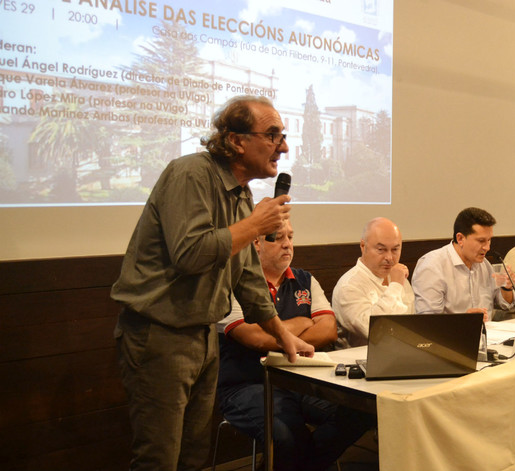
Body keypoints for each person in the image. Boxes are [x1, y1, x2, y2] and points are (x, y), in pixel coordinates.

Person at [110, 95, 314, 471]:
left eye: (282, 136)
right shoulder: (191, 174)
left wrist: (282, 335)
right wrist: (254, 224)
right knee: (159, 459)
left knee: (193, 457)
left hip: (204, 336)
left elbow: (248, 277)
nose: (283, 147)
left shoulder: (241, 193)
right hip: (160, 336)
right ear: (236, 140)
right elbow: (190, 254)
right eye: (272, 135)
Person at [217, 220, 373, 471]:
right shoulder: (233, 281)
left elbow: (328, 330)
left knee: (360, 412)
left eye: (290, 237)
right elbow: (254, 338)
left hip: (303, 379)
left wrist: (278, 333)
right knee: (288, 436)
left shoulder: (305, 280)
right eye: (278, 238)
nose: (287, 244)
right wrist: (302, 321)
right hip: (248, 384)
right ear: (256, 243)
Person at [412, 207, 515, 320]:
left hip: (489, 334)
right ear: (460, 238)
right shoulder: (432, 266)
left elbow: (505, 305)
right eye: (481, 241)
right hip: (452, 336)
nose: (487, 247)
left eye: (489, 240)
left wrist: (507, 288)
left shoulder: (484, 264)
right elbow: (428, 321)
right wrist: (464, 322)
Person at [333, 217, 415, 347]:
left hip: (401, 355)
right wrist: (395, 286)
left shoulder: (397, 276)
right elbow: (375, 330)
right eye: (381, 250)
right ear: (363, 246)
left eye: (395, 250)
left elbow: (412, 326)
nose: (389, 258)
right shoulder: (349, 285)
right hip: (357, 361)